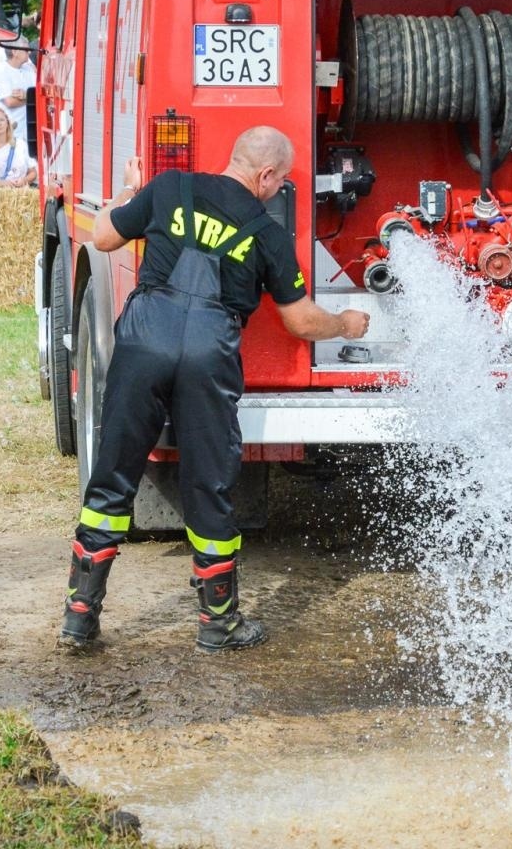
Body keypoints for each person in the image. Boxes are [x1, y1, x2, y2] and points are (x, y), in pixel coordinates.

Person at [61, 127, 372, 652]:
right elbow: (299, 322)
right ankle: (218, 624)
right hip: (208, 353)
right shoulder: (267, 232)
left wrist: (130, 192)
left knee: (112, 477)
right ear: (266, 175)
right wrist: (344, 323)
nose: (279, 191)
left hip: (144, 342)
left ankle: (78, 618)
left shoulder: (169, 187)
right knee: (209, 486)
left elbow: (105, 236)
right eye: (281, 181)